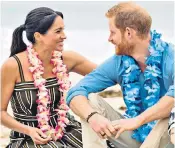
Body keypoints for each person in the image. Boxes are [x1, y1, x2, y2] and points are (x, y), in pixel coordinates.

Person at [66, 2, 174, 148]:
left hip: (168, 138)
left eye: (112, 32)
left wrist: (139, 120)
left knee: (167, 112)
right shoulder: (119, 63)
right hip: (135, 136)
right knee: (91, 101)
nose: (109, 38)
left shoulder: (171, 56)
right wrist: (93, 117)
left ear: (128, 33)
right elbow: (75, 92)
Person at [0, 7, 98, 148]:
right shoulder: (13, 66)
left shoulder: (67, 59)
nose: (64, 36)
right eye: (58, 31)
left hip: (66, 130)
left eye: (63, 30)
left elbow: (106, 74)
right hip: (29, 138)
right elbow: (1, 112)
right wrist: (29, 130)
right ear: (38, 36)